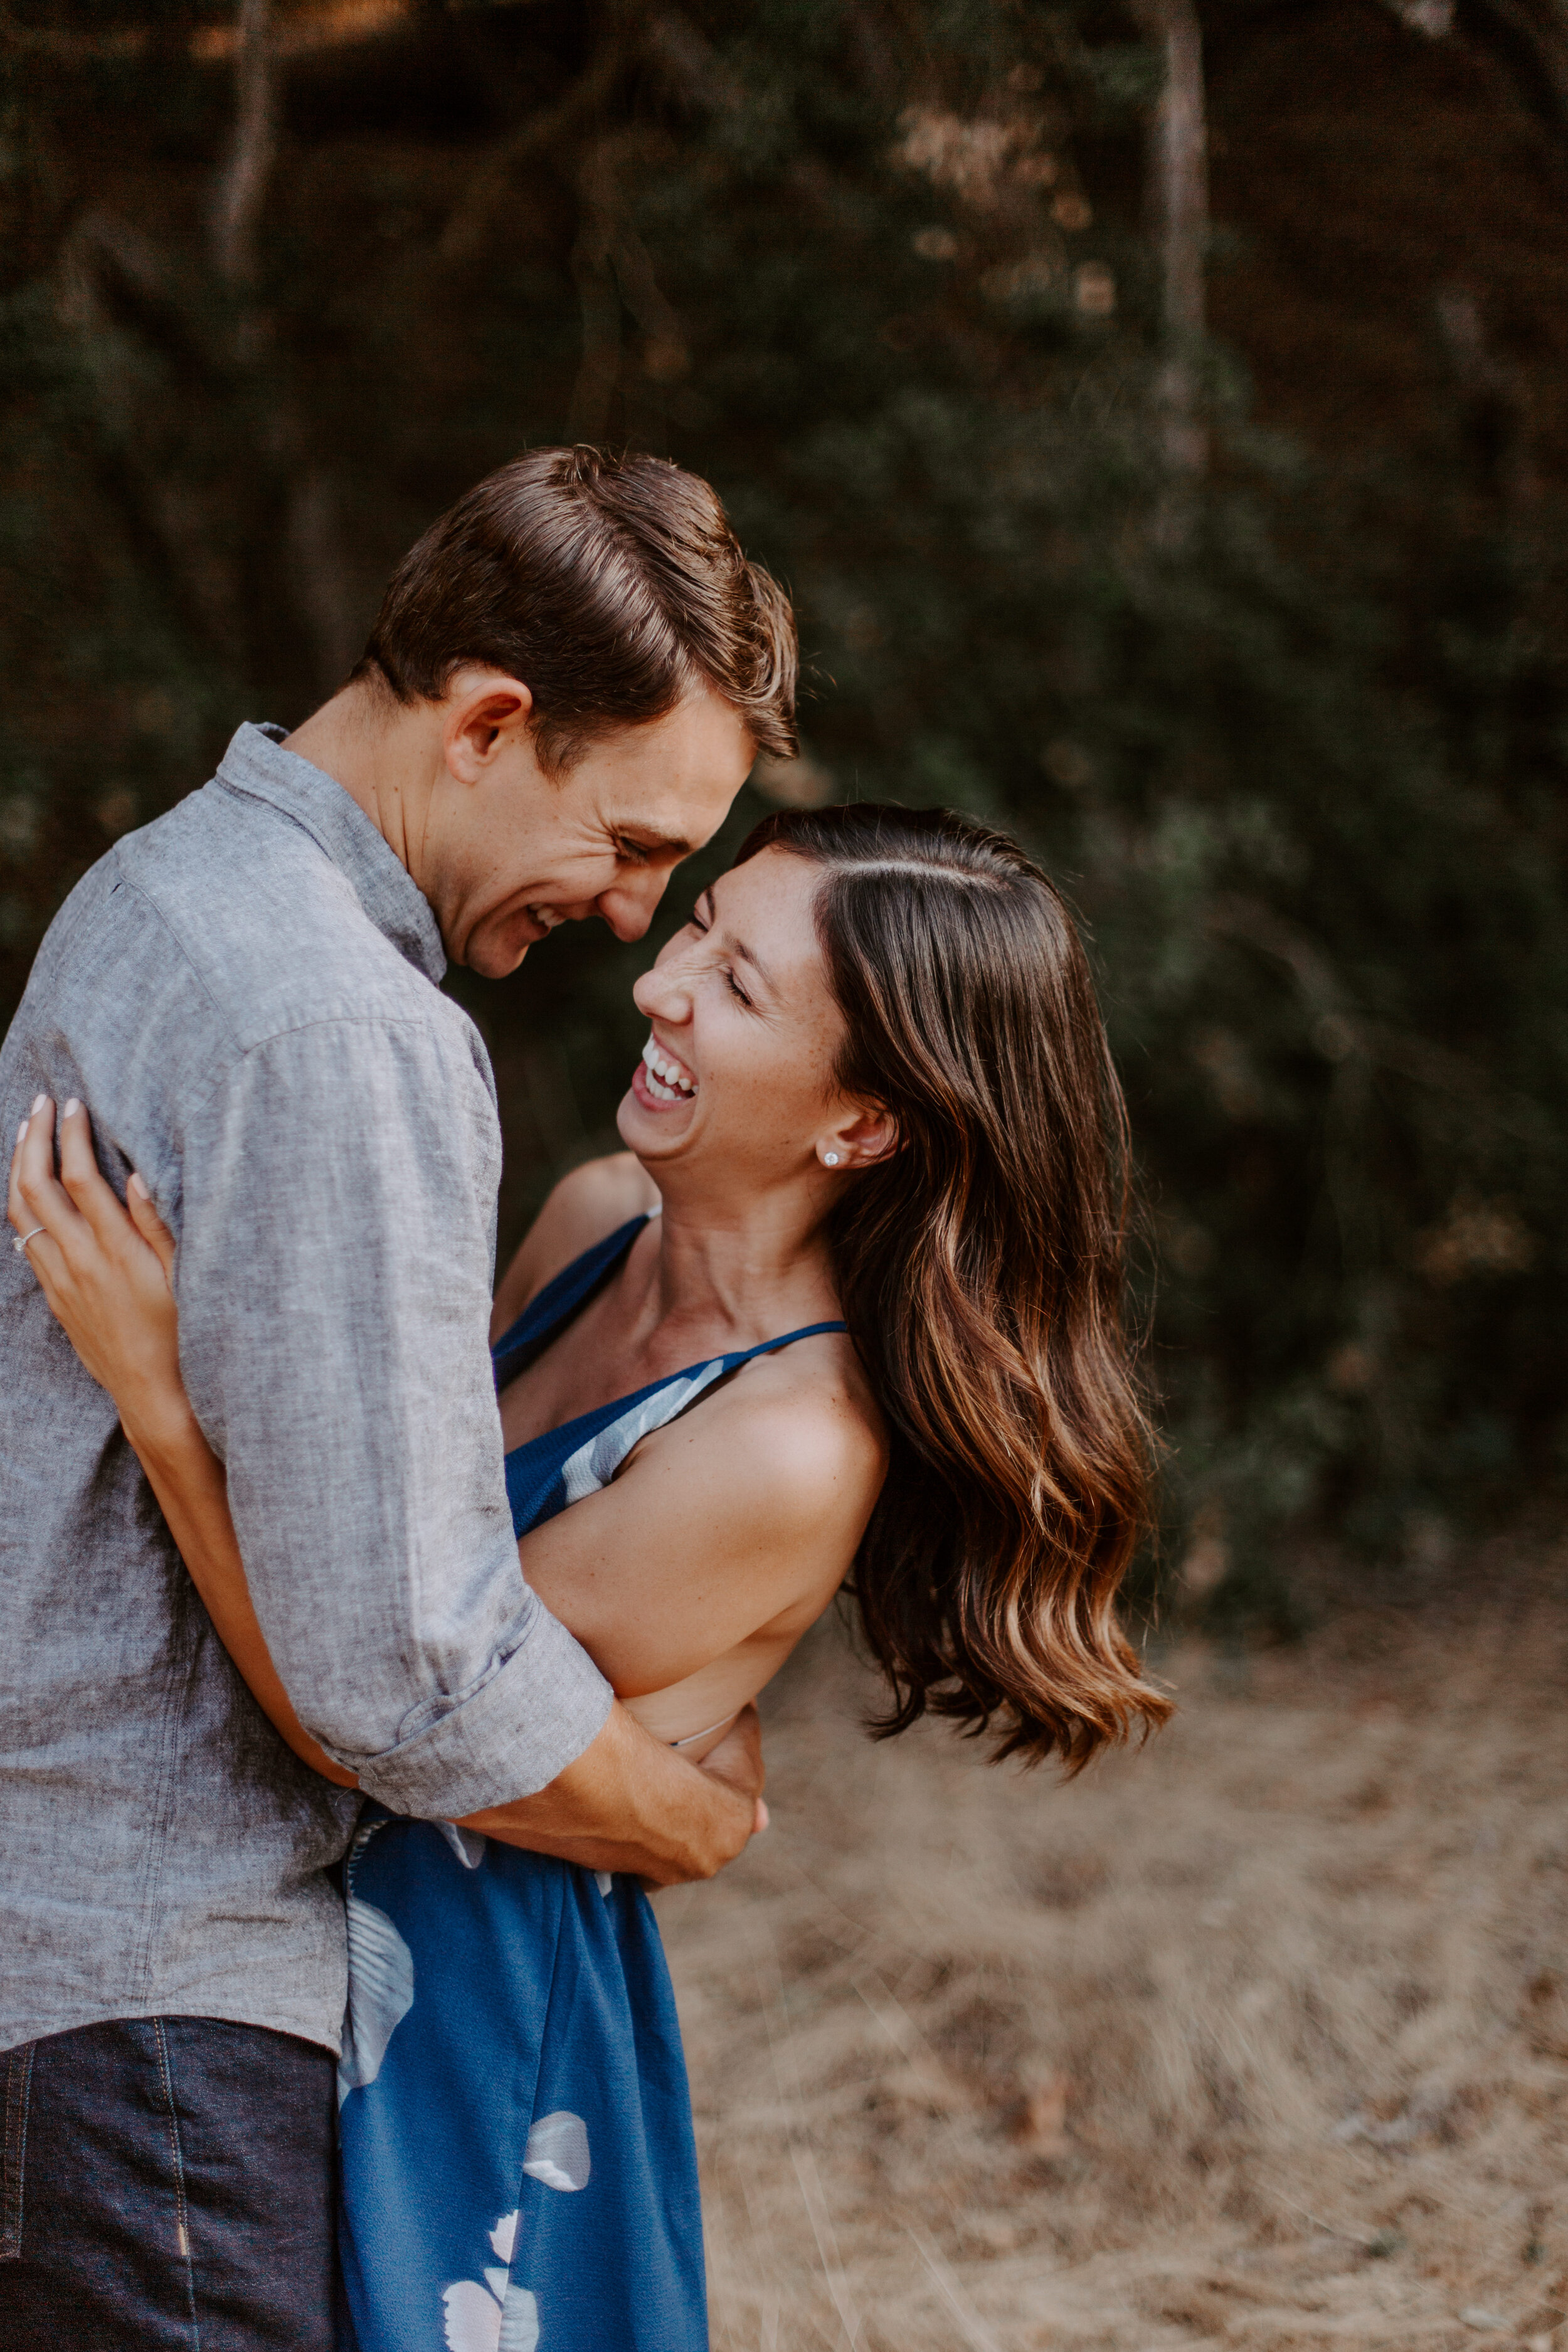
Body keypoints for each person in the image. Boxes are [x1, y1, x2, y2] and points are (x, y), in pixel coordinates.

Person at [9, 802, 1171, 2352]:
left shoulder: (787, 1446)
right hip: (306, 1915)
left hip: (467, 2015)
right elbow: (391, 1541)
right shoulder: (593, 1219)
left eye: (741, 987)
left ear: (864, 1122)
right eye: (700, 927)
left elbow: (369, 1701)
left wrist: (155, 1397)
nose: (661, 985)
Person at [0, 447, 798, 2349]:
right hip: (161, 2005)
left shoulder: (164, 887)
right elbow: (400, 1657)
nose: (629, 921)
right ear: (491, 721)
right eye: (631, 846)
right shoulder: (346, 1022)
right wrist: (677, 1821)